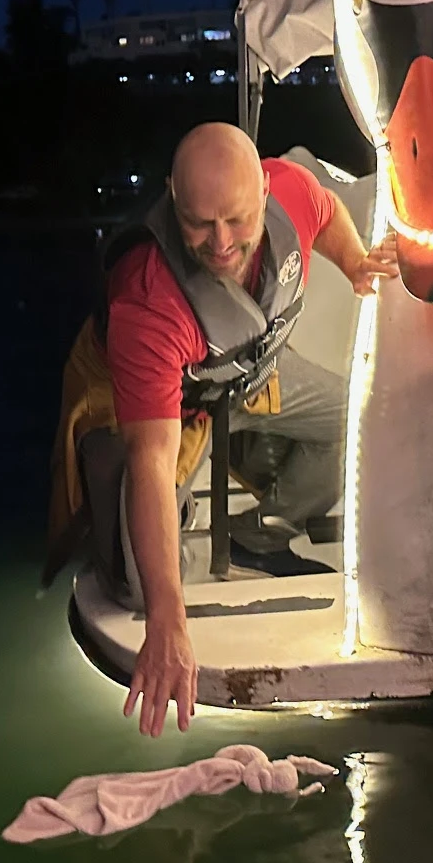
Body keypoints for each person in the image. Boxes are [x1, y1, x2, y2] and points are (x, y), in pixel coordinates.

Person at [48, 123, 397, 736]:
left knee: (354, 417)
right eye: (199, 224)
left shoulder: (291, 187)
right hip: (152, 399)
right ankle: (121, 485)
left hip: (241, 368)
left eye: (236, 220)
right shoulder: (148, 299)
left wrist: (355, 263)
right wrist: (170, 621)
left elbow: (326, 209)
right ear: (171, 200)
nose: (221, 244)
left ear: (264, 190)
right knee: (135, 589)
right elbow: (153, 459)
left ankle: (259, 535)